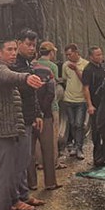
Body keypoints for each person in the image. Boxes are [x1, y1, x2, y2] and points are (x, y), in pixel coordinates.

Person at [0, 39, 44, 210]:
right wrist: (25, 78)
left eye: (15, 50)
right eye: (9, 50)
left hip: (3, 131)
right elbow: (8, 76)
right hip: (3, 131)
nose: (13, 53)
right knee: (5, 176)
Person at [12, 29, 46, 209]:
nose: (32, 48)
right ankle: (17, 198)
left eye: (34, 45)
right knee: (19, 160)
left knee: (25, 159)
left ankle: (24, 195)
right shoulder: (14, 66)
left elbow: (32, 95)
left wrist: (37, 115)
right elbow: (21, 91)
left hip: (28, 118)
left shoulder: (27, 64)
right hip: (19, 120)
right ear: (18, 43)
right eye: (28, 44)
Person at [31, 43, 61, 190]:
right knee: (48, 148)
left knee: (30, 152)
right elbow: (51, 92)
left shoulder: (22, 71)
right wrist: (43, 111)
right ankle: (50, 182)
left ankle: (32, 184)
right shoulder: (48, 70)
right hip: (46, 114)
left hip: (28, 117)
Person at [36, 41, 67, 170]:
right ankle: (54, 162)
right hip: (51, 105)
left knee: (38, 136)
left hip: (37, 105)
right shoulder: (52, 66)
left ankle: (40, 162)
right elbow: (52, 88)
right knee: (52, 136)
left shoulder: (34, 64)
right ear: (51, 52)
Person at [62, 43, 88, 159]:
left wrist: (76, 69)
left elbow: (85, 81)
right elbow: (65, 80)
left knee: (79, 124)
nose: (68, 57)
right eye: (66, 55)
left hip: (81, 99)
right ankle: (74, 146)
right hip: (68, 99)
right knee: (72, 124)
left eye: (70, 54)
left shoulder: (85, 64)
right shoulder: (65, 65)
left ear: (76, 52)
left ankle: (79, 148)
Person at [82, 47, 105, 166]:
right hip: (95, 105)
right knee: (96, 132)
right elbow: (85, 88)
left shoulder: (102, 68)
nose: (100, 57)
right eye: (97, 55)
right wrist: (90, 105)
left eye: (101, 54)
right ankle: (97, 158)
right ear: (91, 57)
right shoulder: (88, 70)